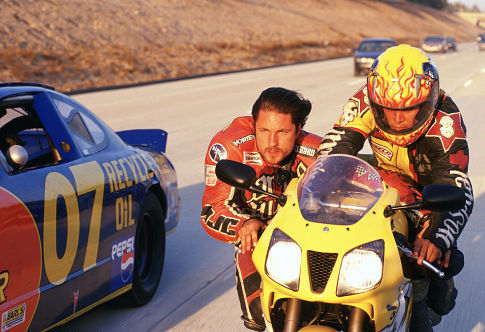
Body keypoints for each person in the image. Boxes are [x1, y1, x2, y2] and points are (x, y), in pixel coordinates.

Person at [317, 44, 474, 330]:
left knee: (436, 292)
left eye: (410, 109)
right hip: (381, 182)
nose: (398, 118)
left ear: (428, 100)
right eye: (388, 110)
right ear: (375, 100)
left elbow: (457, 185)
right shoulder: (363, 101)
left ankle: (419, 307)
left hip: (432, 194)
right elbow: (331, 152)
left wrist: (437, 238)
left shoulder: (447, 120)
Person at [201, 87, 322, 331]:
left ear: (298, 130)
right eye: (264, 131)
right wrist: (244, 224)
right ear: (254, 124)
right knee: (260, 312)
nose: (272, 142)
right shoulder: (229, 148)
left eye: (282, 132)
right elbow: (211, 209)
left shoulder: (316, 150)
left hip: (309, 238)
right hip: (257, 241)